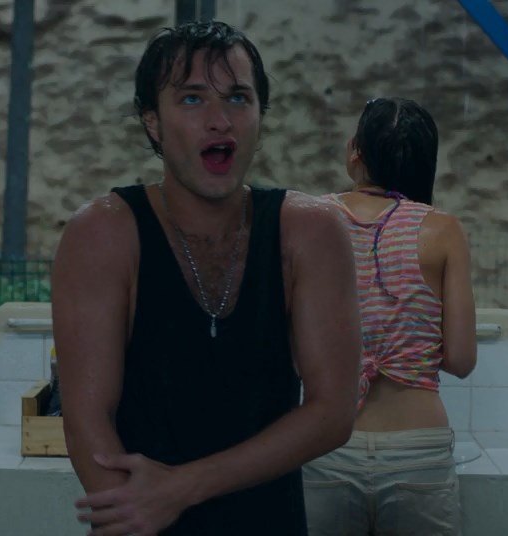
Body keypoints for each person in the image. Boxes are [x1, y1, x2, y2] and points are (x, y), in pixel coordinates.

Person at [50, 21, 362, 536]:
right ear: (153, 122)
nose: (220, 121)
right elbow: (87, 423)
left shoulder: (309, 232)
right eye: (192, 99)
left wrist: (181, 487)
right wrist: (135, 512)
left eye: (238, 98)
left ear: (260, 115)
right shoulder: (103, 233)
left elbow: (333, 413)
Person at [303, 97, 478, 535]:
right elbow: (461, 359)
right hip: (418, 446)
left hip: (328, 441)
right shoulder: (442, 230)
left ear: (356, 152)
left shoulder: (308, 219)